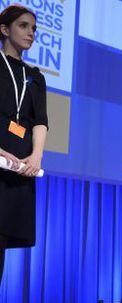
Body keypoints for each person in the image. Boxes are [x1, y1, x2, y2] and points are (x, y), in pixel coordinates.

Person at [0, 4, 48, 285]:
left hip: (17, 166)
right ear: (4, 30)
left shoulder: (35, 76)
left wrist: (36, 156)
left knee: (2, 242)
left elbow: (39, 120)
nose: (31, 33)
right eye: (23, 26)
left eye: (34, 28)